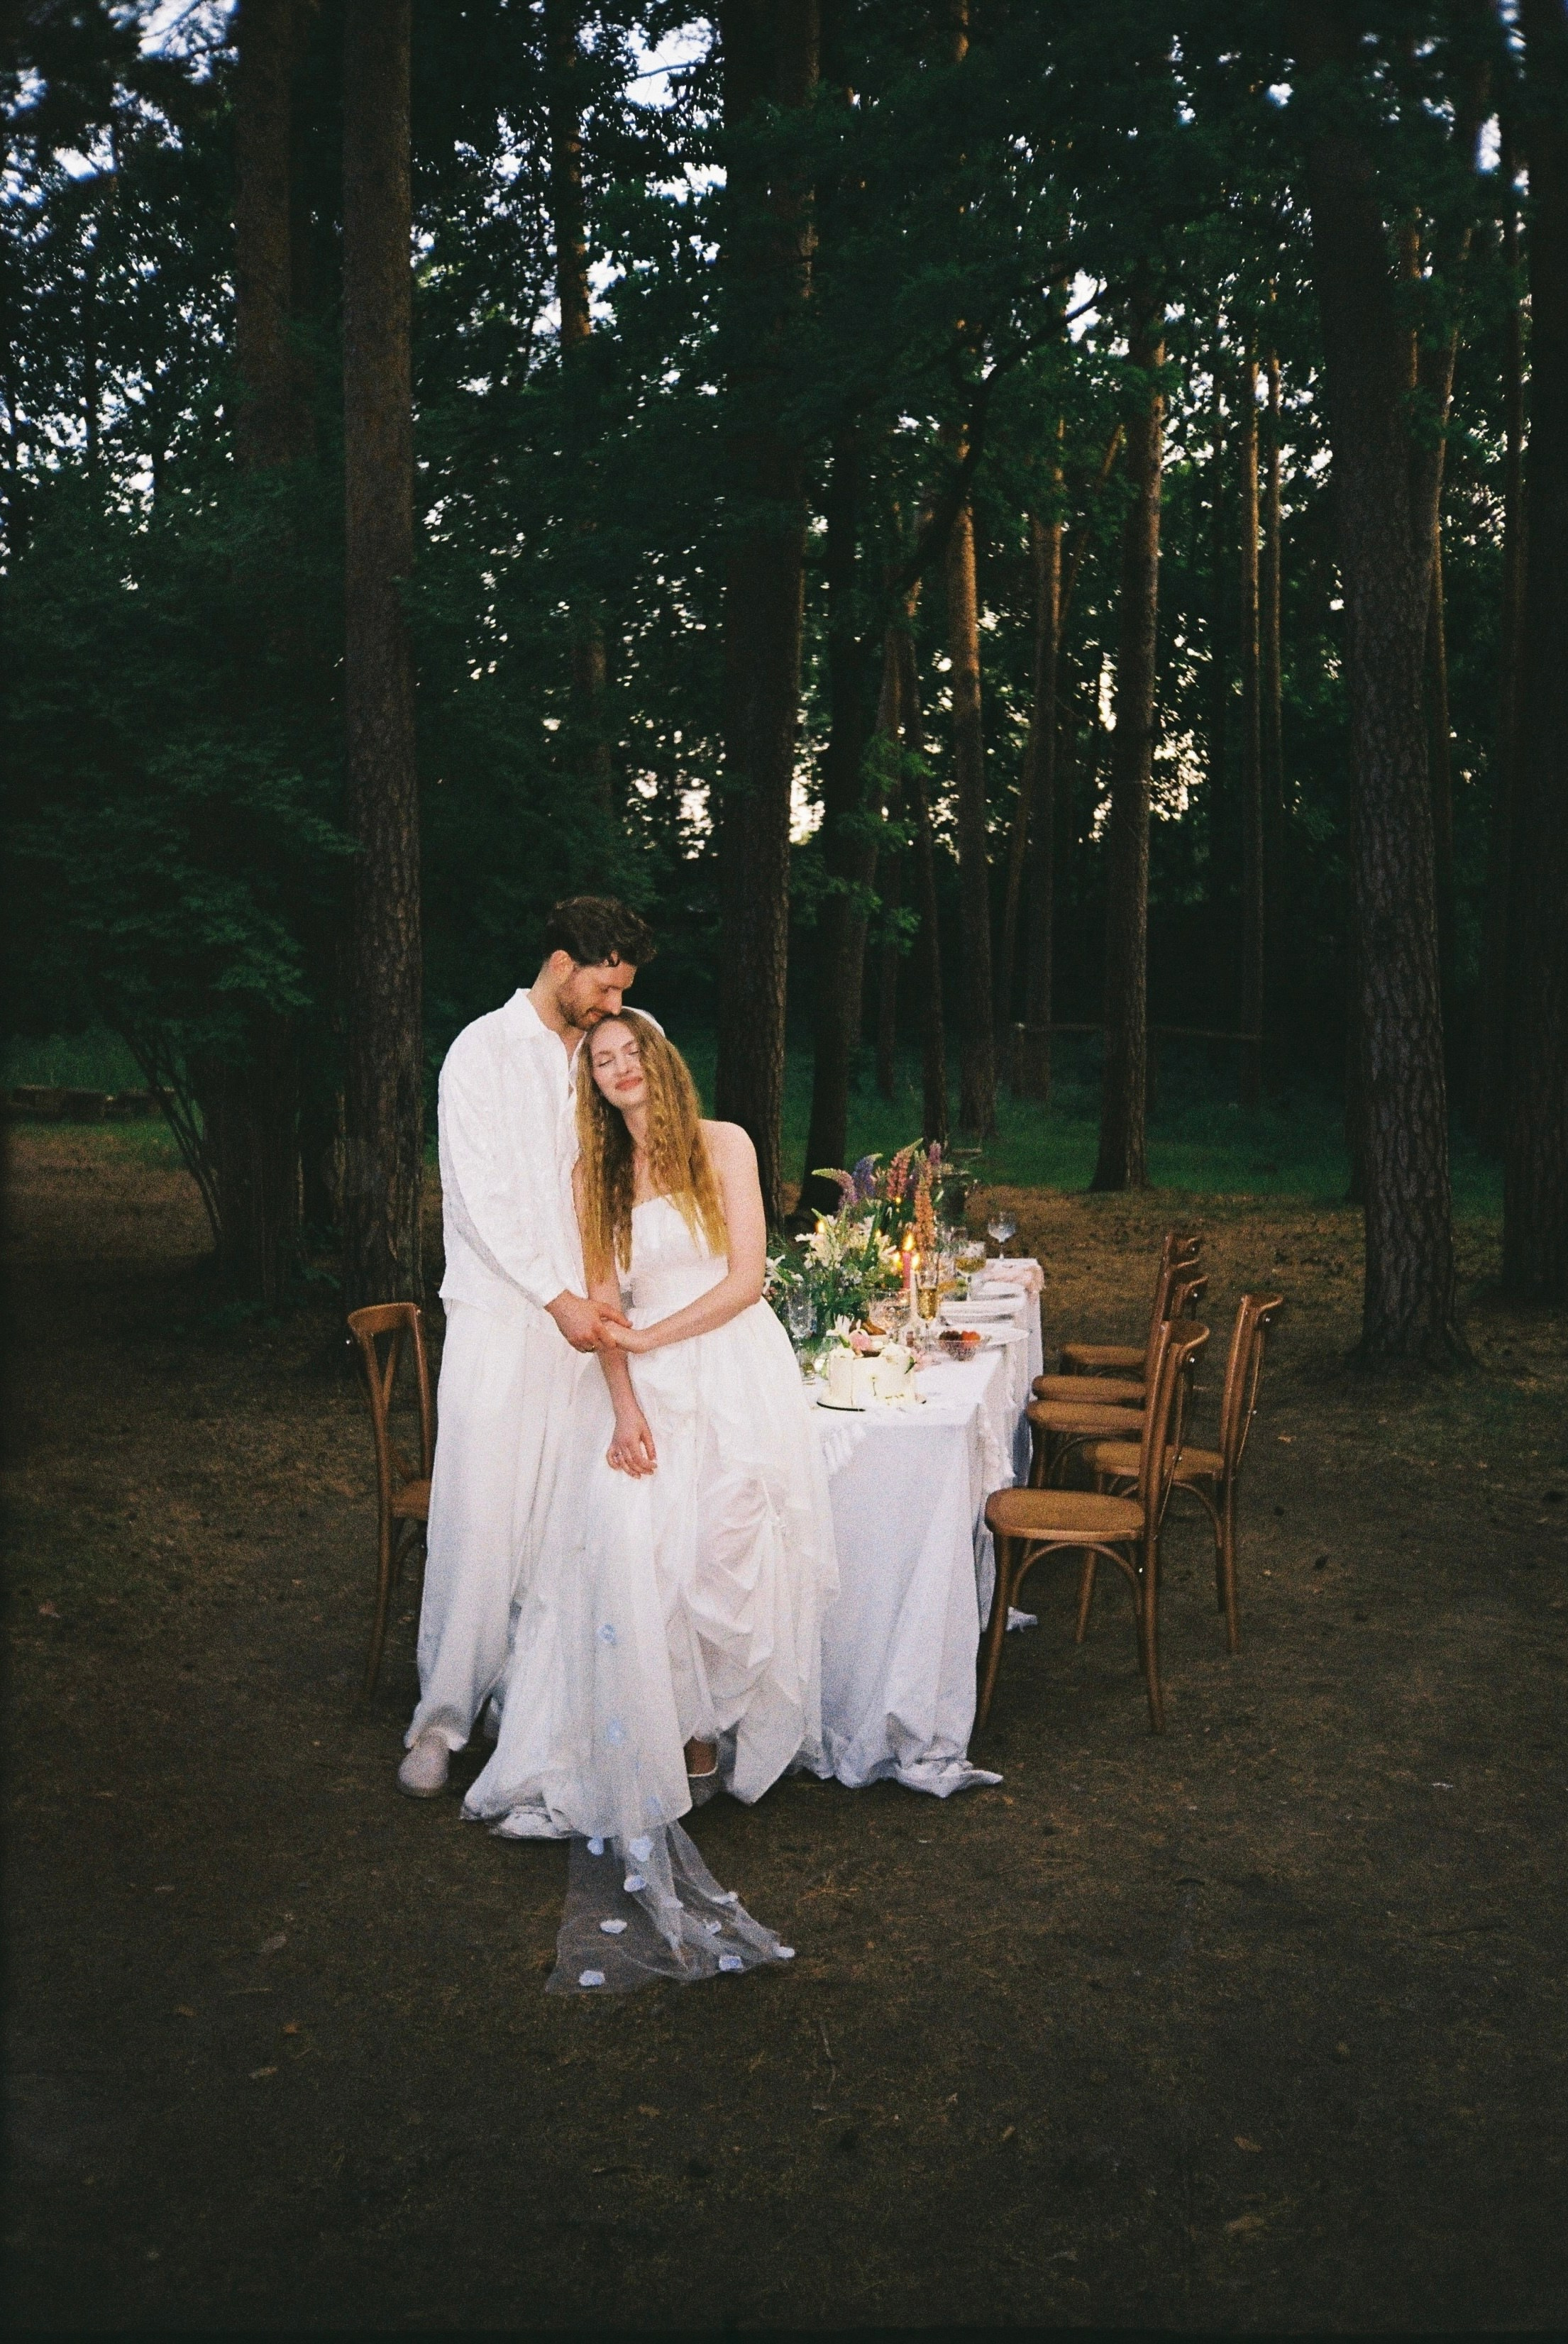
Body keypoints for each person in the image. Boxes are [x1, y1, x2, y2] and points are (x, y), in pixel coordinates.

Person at [462, 1011, 838, 1989]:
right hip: (644, 1389)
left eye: (631, 1054)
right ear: (591, 1082)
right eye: (602, 1062)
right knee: (639, 1548)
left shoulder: (724, 1146)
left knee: (729, 1552)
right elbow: (600, 1311)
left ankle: (707, 1736)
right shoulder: (595, 1177)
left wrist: (647, 1340)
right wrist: (624, 1407)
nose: (619, 1069)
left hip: (735, 1379)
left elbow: (748, 1281)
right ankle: (658, 1739)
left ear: (661, 1061)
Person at [397, 898, 657, 1798]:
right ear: (560, 962)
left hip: (581, 1324)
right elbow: (479, 1200)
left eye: (622, 989)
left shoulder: (592, 1054)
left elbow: (602, 1178)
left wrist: (606, 1287)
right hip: (505, 1321)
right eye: (606, 982)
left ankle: (525, 1701)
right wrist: (554, 1299)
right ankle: (439, 1718)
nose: (612, 1002)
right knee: (481, 1519)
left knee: (559, 1521)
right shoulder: (480, 1052)